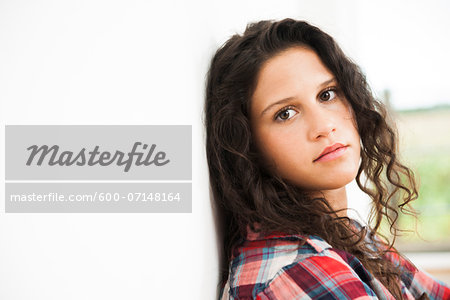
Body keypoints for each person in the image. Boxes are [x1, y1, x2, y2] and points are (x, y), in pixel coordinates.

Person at [204, 18, 450, 300]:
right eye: (285, 113)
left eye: (327, 94)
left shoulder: (344, 232)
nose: (324, 126)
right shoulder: (297, 270)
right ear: (248, 145)